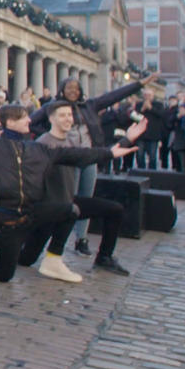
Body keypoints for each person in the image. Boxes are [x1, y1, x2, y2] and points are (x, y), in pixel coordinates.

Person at [0, 105, 137, 284]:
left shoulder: (37, 149)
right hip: (6, 219)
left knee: (71, 210)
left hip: (33, 213)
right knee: (4, 273)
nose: (29, 120)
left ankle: (53, 260)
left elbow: (76, 155)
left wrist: (113, 151)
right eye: (24, 117)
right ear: (10, 122)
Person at [29, 73, 152, 255]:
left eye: (76, 88)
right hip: (67, 159)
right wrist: (50, 136)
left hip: (89, 156)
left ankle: (81, 238)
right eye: (69, 88)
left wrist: (139, 84)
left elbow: (113, 96)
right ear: (62, 90)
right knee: (68, 199)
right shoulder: (52, 107)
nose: (73, 91)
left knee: (87, 197)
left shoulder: (90, 106)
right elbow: (32, 122)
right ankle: (54, 240)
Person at [32, 100, 141, 277]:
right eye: (62, 115)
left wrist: (126, 140)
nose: (68, 119)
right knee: (25, 258)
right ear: (51, 119)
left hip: (68, 201)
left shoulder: (70, 140)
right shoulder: (43, 143)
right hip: (48, 208)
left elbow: (89, 155)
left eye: (70, 115)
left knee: (114, 210)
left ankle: (104, 257)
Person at [135, 88, 165, 170]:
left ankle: (152, 173)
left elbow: (161, 115)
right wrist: (142, 109)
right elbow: (135, 117)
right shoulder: (139, 104)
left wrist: (151, 108)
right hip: (141, 134)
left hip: (153, 134)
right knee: (140, 155)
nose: (147, 97)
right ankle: (140, 171)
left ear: (153, 96)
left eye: (149, 95)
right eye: (145, 95)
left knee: (152, 156)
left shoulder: (158, 104)